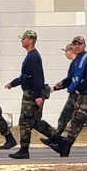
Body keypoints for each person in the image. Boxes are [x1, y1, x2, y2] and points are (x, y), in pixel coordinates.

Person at [4, 30, 64, 160]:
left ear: (31, 40)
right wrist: (12, 83)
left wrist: (37, 96)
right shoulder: (30, 56)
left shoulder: (33, 57)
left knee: (25, 121)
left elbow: (38, 78)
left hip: (31, 94)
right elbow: (25, 77)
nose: (22, 40)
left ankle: (24, 149)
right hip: (31, 93)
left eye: (24, 38)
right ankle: (61, 141)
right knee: (36, 122)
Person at [46, 37, 87, 152]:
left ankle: (61, 142)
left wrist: (79, 89)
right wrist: (55, 87)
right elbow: (70, 79)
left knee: (75, 119)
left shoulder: (86, 59)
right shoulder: (77, 61)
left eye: (66, 51)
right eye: (75, 44)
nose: (65, 53)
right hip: (81, 93)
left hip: (86, 94)